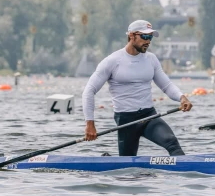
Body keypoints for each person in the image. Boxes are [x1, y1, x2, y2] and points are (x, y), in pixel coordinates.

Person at [82, 19, 193, 156]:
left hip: (149, 116)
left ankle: (184, 171)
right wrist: (90, 124)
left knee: (171, 142)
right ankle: (108, 160)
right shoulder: (112, 61)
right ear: (131, 36)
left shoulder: (151, 59)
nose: (148, 41)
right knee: (127, 167)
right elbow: (89, 90)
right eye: (145, 36)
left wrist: (182, 98)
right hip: (126, 120)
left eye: (150, 37)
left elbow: (167, 85)